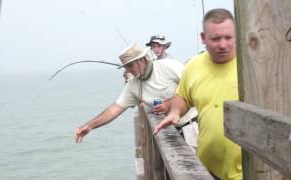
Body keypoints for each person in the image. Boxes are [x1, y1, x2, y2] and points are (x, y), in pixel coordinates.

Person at [153, 8, 242, 180]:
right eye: (215, 38)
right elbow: (184, 96)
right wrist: (174, 112)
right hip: (206, 168)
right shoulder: (193, 66)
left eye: (228, 37)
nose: (222, 44)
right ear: (203, 38)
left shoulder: (252, 64)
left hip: (247, 171)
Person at [75, 43, 197, 148]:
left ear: (143, 59)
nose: (128, 70)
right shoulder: (133, 84)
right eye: (126, 67)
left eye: (130, 65)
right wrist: (89, 126)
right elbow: (115, 108)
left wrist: (169, 104)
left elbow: (194, 88)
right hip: (171, 133)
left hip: (193, 126)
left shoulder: (168, 66)